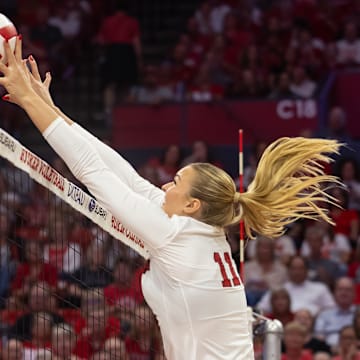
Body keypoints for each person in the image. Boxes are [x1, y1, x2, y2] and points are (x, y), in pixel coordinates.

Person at [0, 37, 344, 360]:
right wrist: (48, 105)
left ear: (193, 204)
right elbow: (122, 173)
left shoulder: (175, 234)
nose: (166, 186)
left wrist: (28, 100)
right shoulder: (190, 229)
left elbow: (92, 171)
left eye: (176, 182)